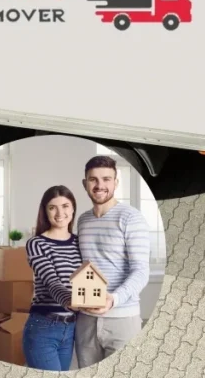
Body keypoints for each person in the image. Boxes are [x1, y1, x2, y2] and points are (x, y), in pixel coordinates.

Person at [73, 155, 150, 366]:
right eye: (93, 179)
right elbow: (84, 268)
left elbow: (141, 271)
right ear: (85, 183)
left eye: (107, 179)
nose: (100, 185)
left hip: (123, 320)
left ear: (116, 183)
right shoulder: (83, 220)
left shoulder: (130, 217)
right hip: (86, 320)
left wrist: (113, 299)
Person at [22, 185, 83, 371]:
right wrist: (69, 299)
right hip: (43, 327)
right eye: (52, 207)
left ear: (73, 208)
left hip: (71, 328)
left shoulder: (80, 242)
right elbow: (51, 282)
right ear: (45, 211)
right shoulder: (36, 243)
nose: (59, 213)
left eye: (65, 206)